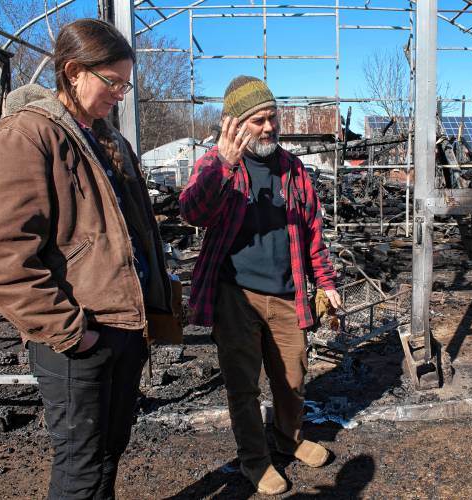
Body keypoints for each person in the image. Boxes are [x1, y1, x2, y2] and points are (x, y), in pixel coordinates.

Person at [0, 19, 174, 499]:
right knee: (81, 465)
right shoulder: (27, 136)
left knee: (108, 452)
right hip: (78, 334)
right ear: (74, 70)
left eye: (125, 84)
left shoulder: (107, 141)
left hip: (123, 327)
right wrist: (71, 330)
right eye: (113, 82)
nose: (121, 94)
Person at [180, 75, 342, 496]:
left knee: (294, 376)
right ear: (233, 124)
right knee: (244, 385)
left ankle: (288, 439)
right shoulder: (215, 164)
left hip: (287, 294)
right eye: (257, 120)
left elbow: (313, 233)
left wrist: (325, 281)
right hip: (236, 295)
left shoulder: (293, 170)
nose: (269, 127)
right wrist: (225, 166)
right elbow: (191, 212)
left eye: (273, 117)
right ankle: (255, 459)